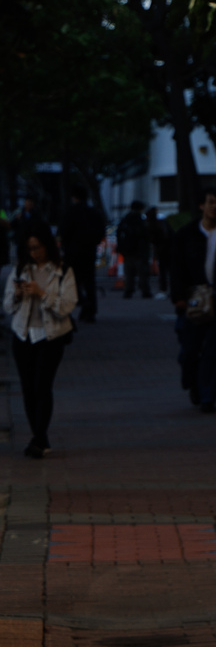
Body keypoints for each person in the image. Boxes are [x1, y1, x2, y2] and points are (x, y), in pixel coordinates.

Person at [5, 223, 78, 458]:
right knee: (28, 388)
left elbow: (66, 306)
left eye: (37, 247)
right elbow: (7, 306)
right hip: (23, 334)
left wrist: (42, 294)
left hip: (50, 336)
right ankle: (39, 437)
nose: (34, 252)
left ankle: (39, 437)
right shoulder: (20, 270)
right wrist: (18, 294)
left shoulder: (62, 270)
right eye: (30, 248)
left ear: (47, 245)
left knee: (42, 386)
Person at [171, 187, 216, 412]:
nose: (215, 207)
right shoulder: (186, 235)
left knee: (214, 351)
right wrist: (178, 296)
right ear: (202, 205)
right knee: (189, 349)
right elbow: (176, 267)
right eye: (211, 202)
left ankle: (207, 396)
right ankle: (193, 380)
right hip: (193, 300)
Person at [59, 192, 106, 323]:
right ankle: (90, 310)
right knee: (89, 281)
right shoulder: (94, 213)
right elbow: (101, 231)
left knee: (72, 281)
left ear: (74, 197)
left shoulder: (71, 212)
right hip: (89, 251)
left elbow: (64, 231)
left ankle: (82, 302)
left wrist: (66, 246)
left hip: (73, 252)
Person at [116, 202, 154, 299]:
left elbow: (119, 232)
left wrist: (121, 247)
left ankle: (128, 290)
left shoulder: (126, 218)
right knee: (142, 272)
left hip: (127, 250)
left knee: (129, 272)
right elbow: (145, 234)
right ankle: (145, 291)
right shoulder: (140, 220)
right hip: (140, 250)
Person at [147, 206, 175, 298]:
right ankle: (171, 290)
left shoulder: (153, 224)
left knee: (164, 271)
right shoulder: (162, 222)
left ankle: (164, 289)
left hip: (162, 250)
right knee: (170, 271)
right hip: (168, 249)